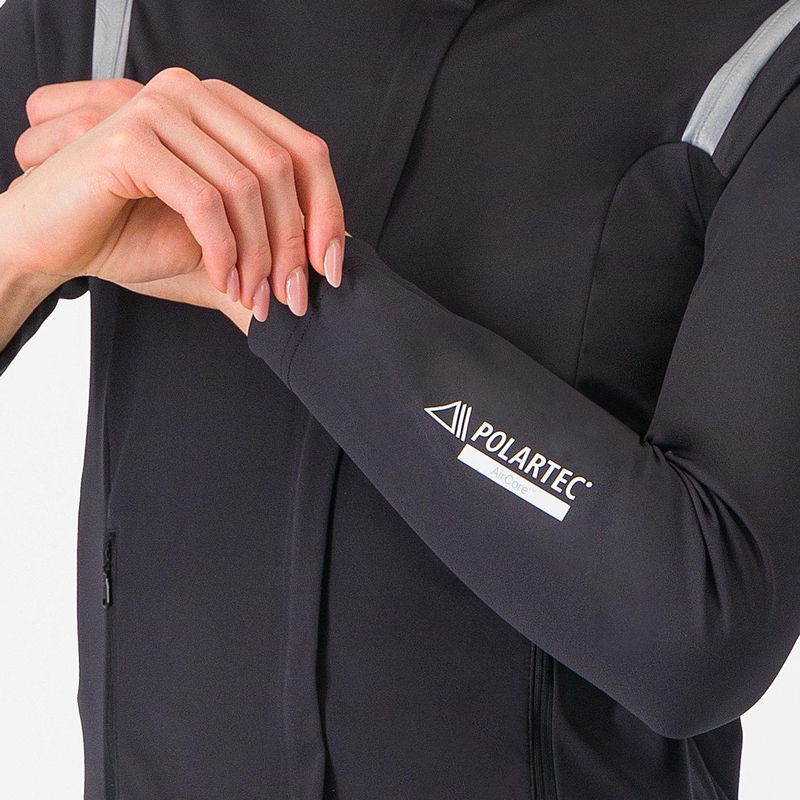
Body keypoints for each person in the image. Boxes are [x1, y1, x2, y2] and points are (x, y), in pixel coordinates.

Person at [2, 0, 799, 797]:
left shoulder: (758, 58)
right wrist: (15, 253)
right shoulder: (113, 16)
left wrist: (287, 288)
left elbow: (702, 632)